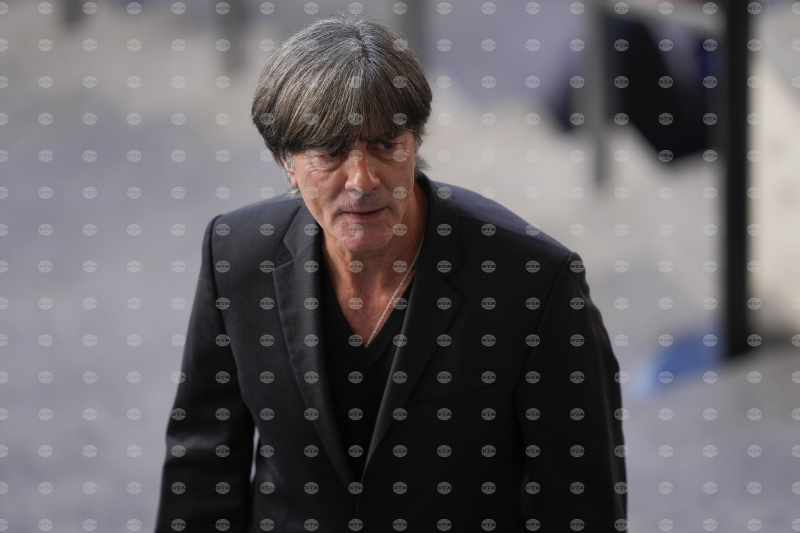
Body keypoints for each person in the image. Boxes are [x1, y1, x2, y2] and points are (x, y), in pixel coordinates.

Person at [155, 14, 627, 533]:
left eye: (385, 143)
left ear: (415, 142)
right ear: (286, 162)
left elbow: (581, 501)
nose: (362, 180)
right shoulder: (237, 255)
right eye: (331, 151)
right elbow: (203, 467)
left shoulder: (533, 282)